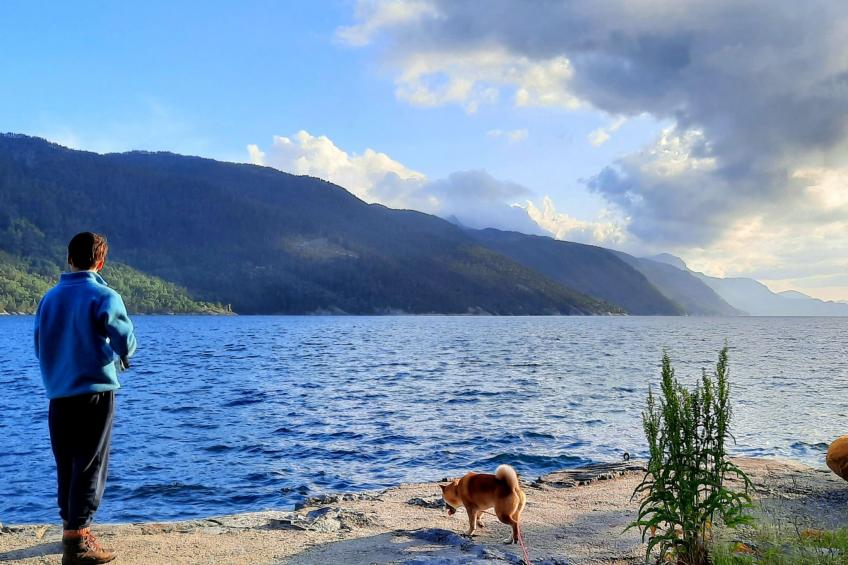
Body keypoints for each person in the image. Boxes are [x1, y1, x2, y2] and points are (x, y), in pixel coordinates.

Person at [34, 232, 137, 565]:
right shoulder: (104, 295)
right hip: (95, 391)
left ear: (69, 258)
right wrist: (123, 354)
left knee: (66, 462)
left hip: (59, 393)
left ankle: (71, 528)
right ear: (101, 261)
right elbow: (124, 340)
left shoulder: (48, 299)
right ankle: (78, 541)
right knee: (90, 462)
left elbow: (40, 346)